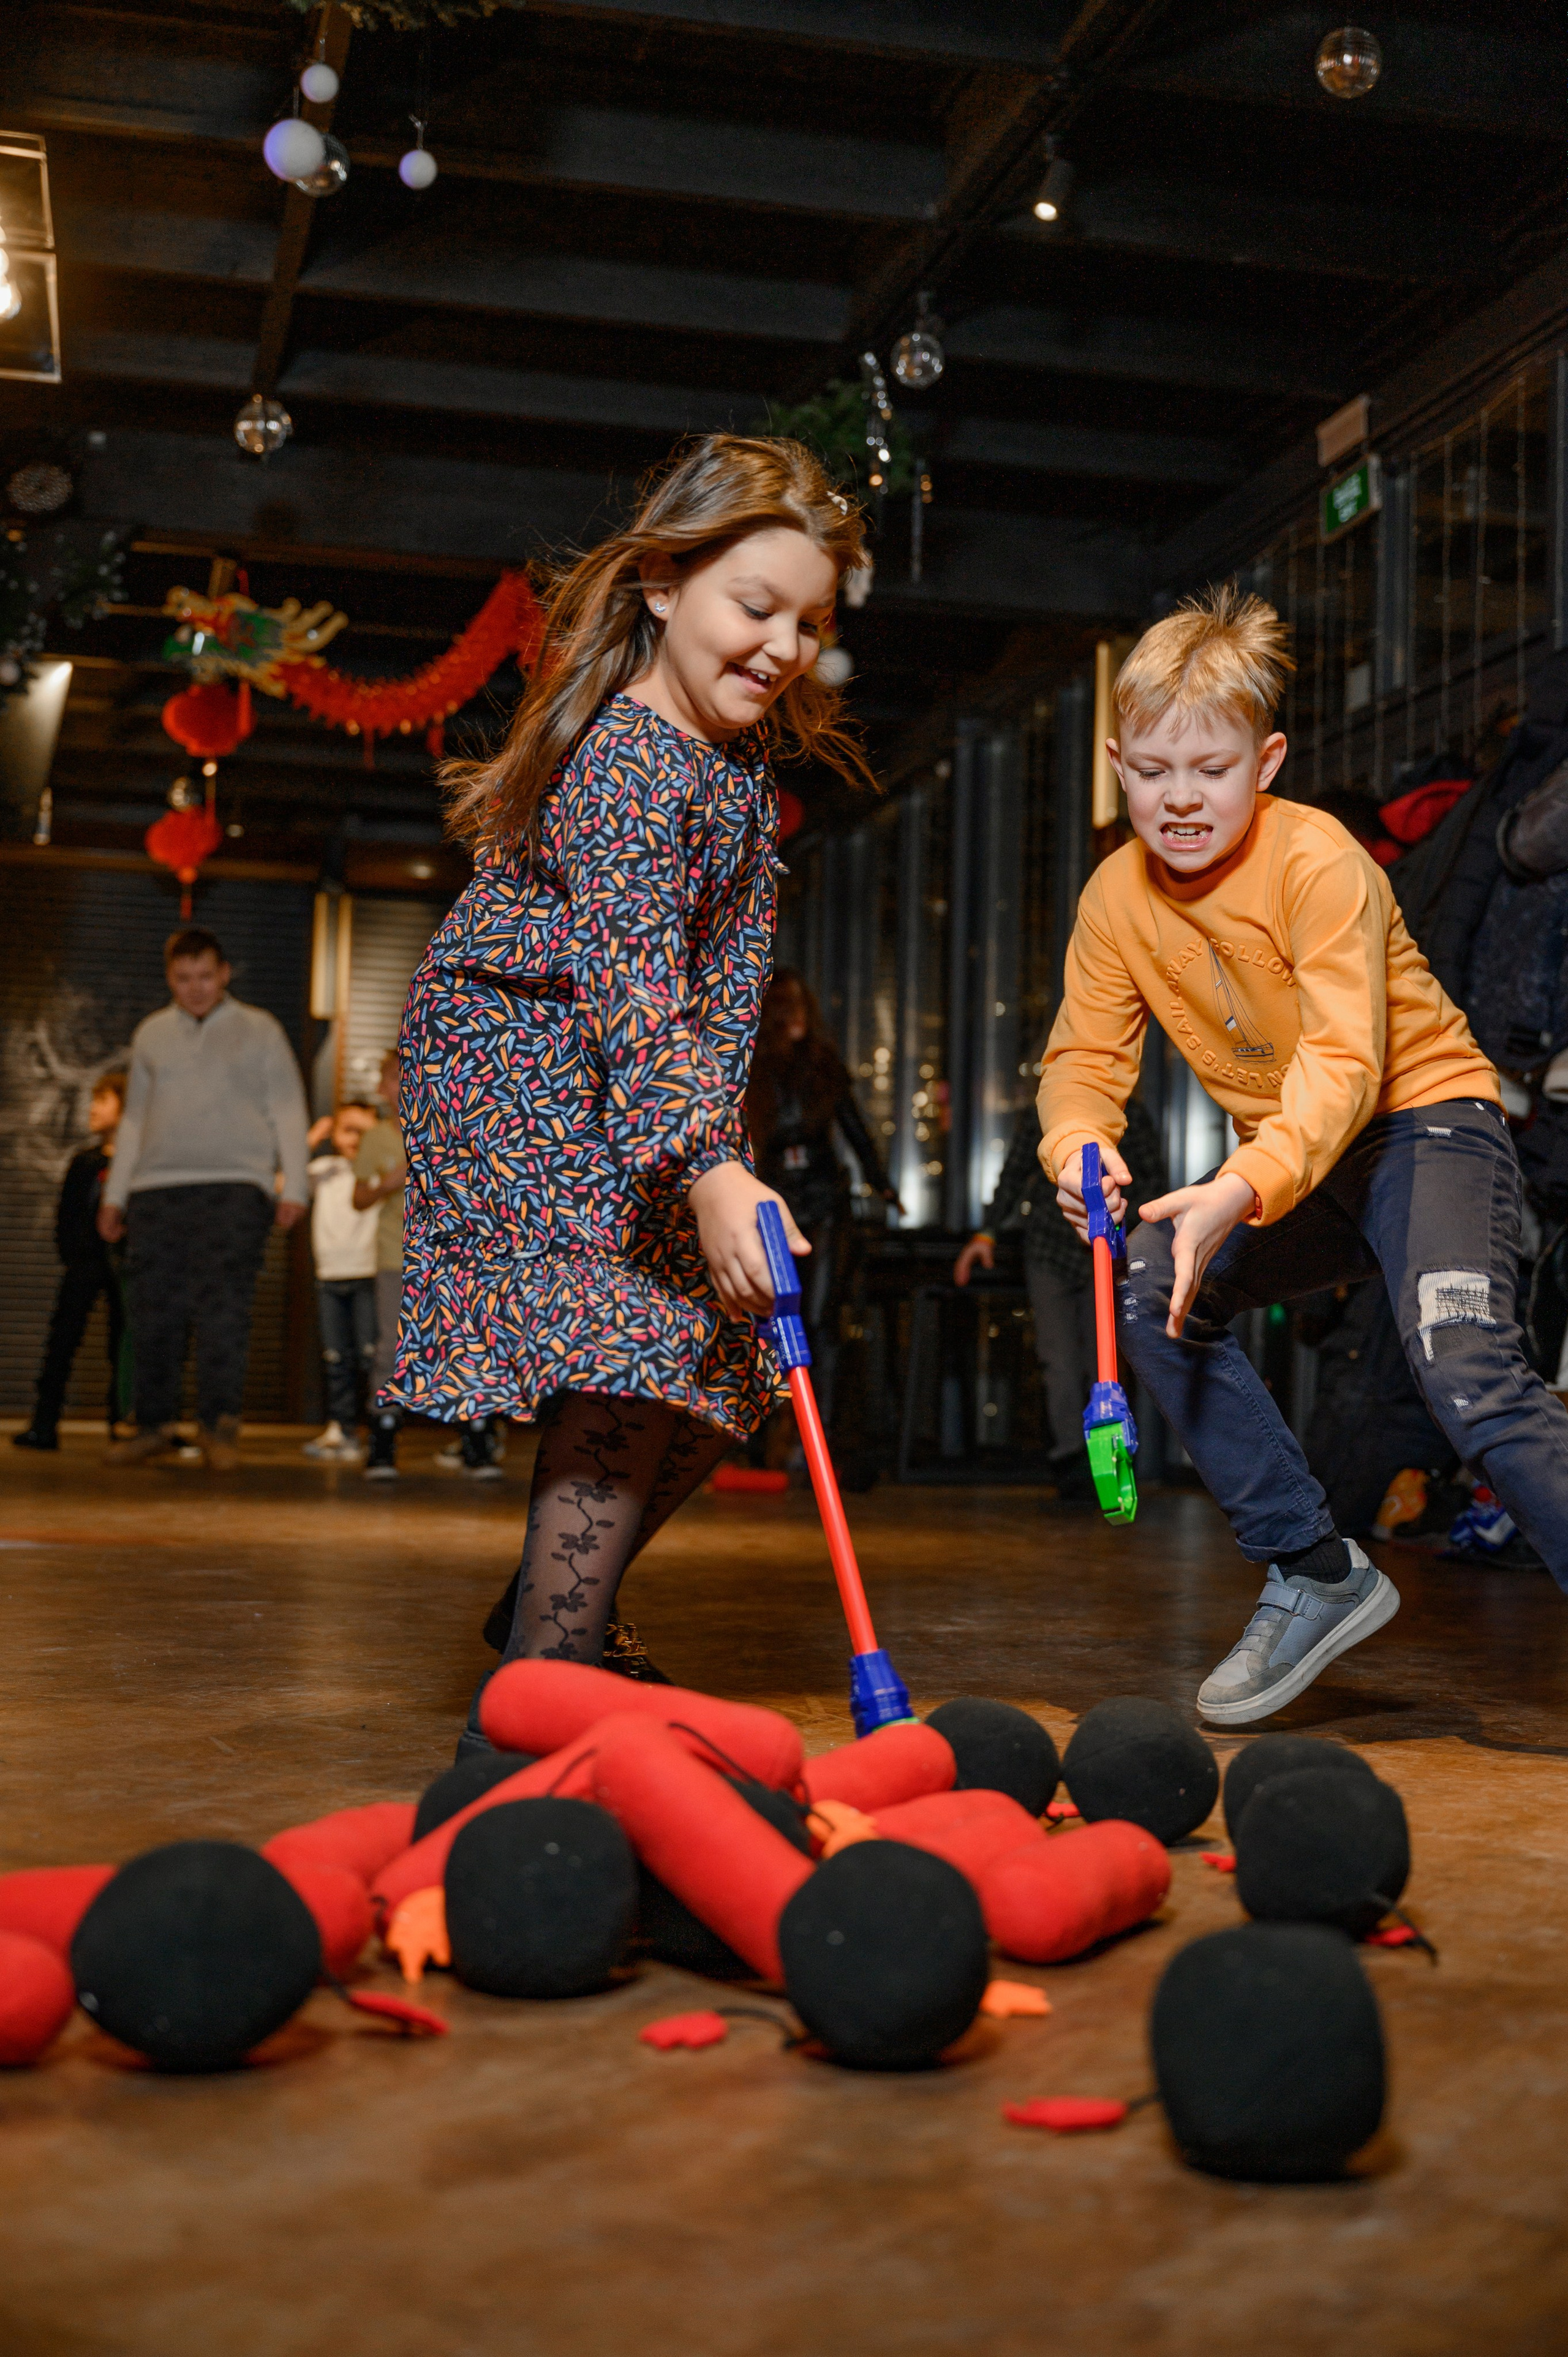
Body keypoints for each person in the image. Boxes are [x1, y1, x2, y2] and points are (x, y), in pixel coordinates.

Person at [392, 432, 874, 1735]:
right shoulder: (629, 760)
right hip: (526, 1070)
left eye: (805, 621)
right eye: (752, 605)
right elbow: (628, 986)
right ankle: (542, 1685)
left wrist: (713, 1153)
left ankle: (555, 1603)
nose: (779, 646)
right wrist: (710, 1167)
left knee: (727, 1352)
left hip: (628, 1083)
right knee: (635, 1341)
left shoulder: (720, 765)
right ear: (662, 586)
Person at [1039, 584, 1568, 1726]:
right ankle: (1316, 1569)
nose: (1180, 799)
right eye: (1153, 770)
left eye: (1212, 768)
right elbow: (1082, 1058)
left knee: (1465, 1372)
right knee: (1150, 1284)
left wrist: (1238, 1186)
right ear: (1117, 758)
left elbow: (1346, 1065)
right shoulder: (1114, 899)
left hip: (1424, 1122)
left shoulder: (1320, 860)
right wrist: (1078, 1137)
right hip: (1298, 1162)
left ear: (1266, 761)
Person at [99, 927, 310, 1472]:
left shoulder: (259, 1029)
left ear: (224, 974)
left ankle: (220, 1429)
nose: (195, 988)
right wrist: (116, 1194)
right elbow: (134, 1117)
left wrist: (297, 1184)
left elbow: (288, 1107)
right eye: (183, 977)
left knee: (225, 1313)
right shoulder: (151, 1034)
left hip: (236, 1188)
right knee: (153, 1314)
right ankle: (153, 1426)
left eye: (205, 976)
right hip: (155, 1190)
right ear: (170, 977)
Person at [954, 1095, 1166, 1501]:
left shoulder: (1132, 1115)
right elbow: (1015, 1172)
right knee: (1059, 1357)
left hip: (1105, 1253)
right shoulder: (1051, 1109)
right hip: (1051, 1249)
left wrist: (1134, 1233)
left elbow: (1152, 1183)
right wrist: (986, 1234)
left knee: (1101, 1359)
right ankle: (1071, 1458)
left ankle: (1110, 1457)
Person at [744, 966, 899, 1462]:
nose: (796, 1019)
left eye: (801, 1008)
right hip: (772, 1200)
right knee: (769, 1318)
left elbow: (854, 1128)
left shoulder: (823, 1066)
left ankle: (821, 1442)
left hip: (825, 1202)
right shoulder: (755, 1070)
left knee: (821, 1319)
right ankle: (765, 1439)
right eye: (785, 1010)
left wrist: (883, 1185)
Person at [13, 1069, 130, 1450]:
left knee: (126, 1345)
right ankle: (44, 1425)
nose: (92, 1109)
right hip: (84, 1265)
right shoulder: (84, 1162)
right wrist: (74, 1256)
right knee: (63, 1343)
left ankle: (125, 1423)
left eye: (102, 1101)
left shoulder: (141, 1162)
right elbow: (66, 1216)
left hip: (126, 1268)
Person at [303, 1099, 379, 1462]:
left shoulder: (380, 1170)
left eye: (364, 1131)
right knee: (336, 1357)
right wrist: (311, 1138)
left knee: (371, 1356)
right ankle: (342, 1428)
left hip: (369, 1275)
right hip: (329, 1276)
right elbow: (283, 1183)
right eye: (347, 1130)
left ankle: (378, 1431)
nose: (355, 1139)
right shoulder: (324, 1169)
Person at [353, 1049, 407, 1482]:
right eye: (394, 1078)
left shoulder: (445, 1131)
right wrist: (386, 1185)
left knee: (460, 1345)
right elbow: (359, 1199)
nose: (403, 1086)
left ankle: (476, 1438)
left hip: (447, 1258)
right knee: (390, 1346)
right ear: (382, 1087)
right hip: (394, 1256)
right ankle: (383, 1434)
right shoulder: (376, 1138)